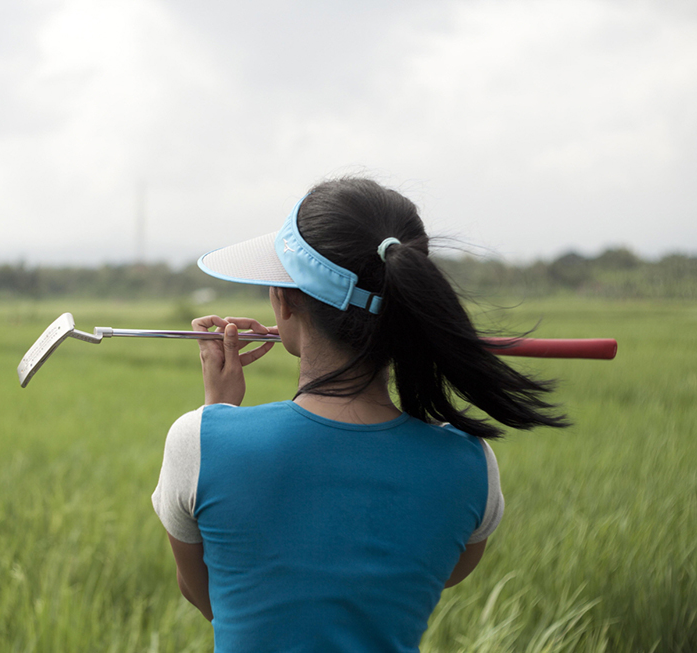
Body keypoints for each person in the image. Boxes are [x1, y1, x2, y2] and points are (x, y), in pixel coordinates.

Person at [151, 177, 568, 652]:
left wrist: (218, 414)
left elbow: (212, 597)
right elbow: (432, 576)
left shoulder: (200, 441)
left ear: (283, 301)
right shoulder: (471, 464)